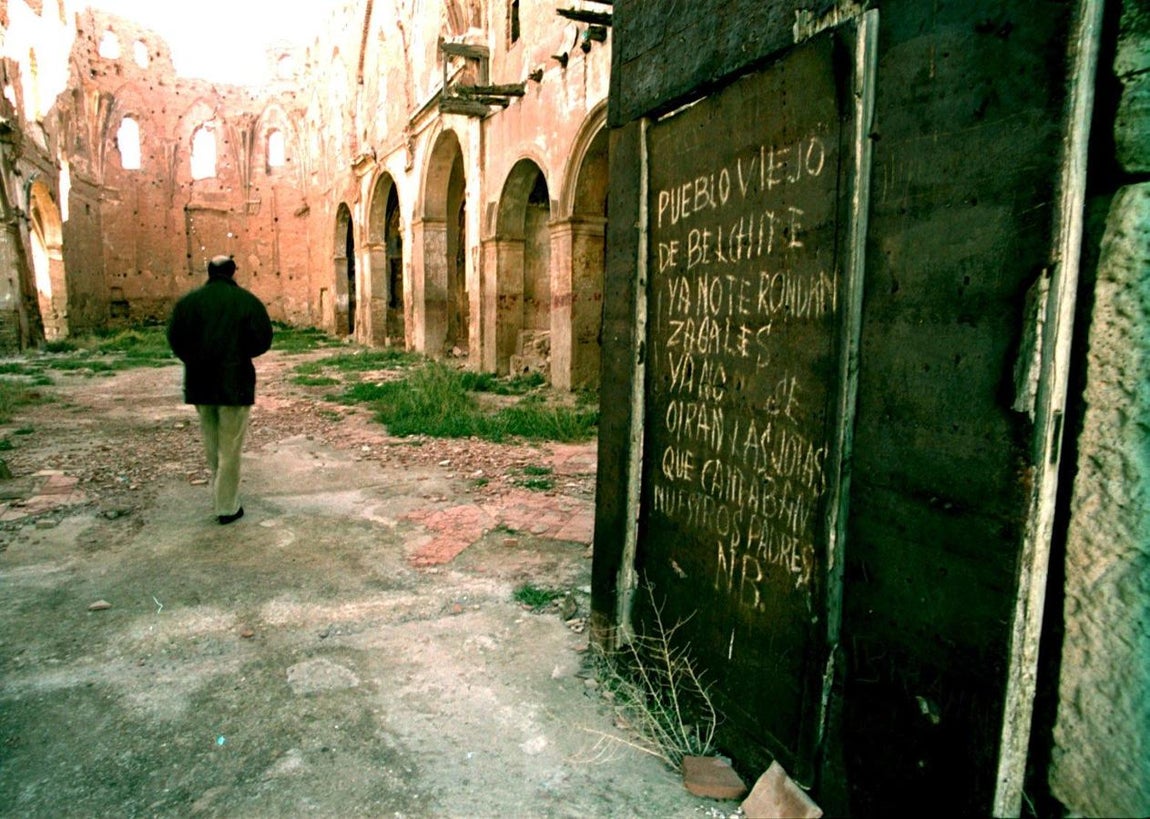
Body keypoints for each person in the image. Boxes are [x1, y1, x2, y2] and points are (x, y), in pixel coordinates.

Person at [167, 255, 273, 524]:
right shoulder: (246, 301)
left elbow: (175, 339)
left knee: (212, 443)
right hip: (235, 384)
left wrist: (195, 359)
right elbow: (263, 339)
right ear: (233, 272)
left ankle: (221, 497)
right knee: (230, 447)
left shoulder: (188, 303)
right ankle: (227, 507)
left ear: (209, 272)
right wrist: (239, 353)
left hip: (200, 383)